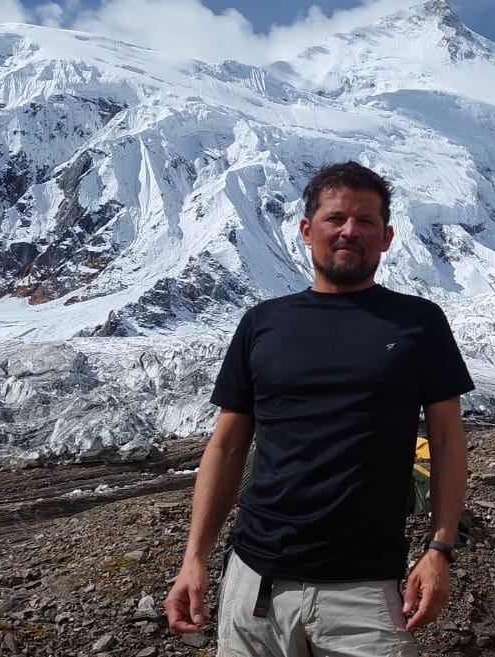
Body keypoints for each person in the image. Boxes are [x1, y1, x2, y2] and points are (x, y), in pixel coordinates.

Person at [165, 161, 473, 656]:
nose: (350, 231)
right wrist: (194, 558)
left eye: (366, 221)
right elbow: (225, 447)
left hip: (367, 588)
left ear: (387, 237)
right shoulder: (262, 324)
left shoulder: (418, 324)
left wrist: (440, 549)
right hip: (256, 581)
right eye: (335, 219)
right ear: (307, 230)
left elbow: (447, 440)